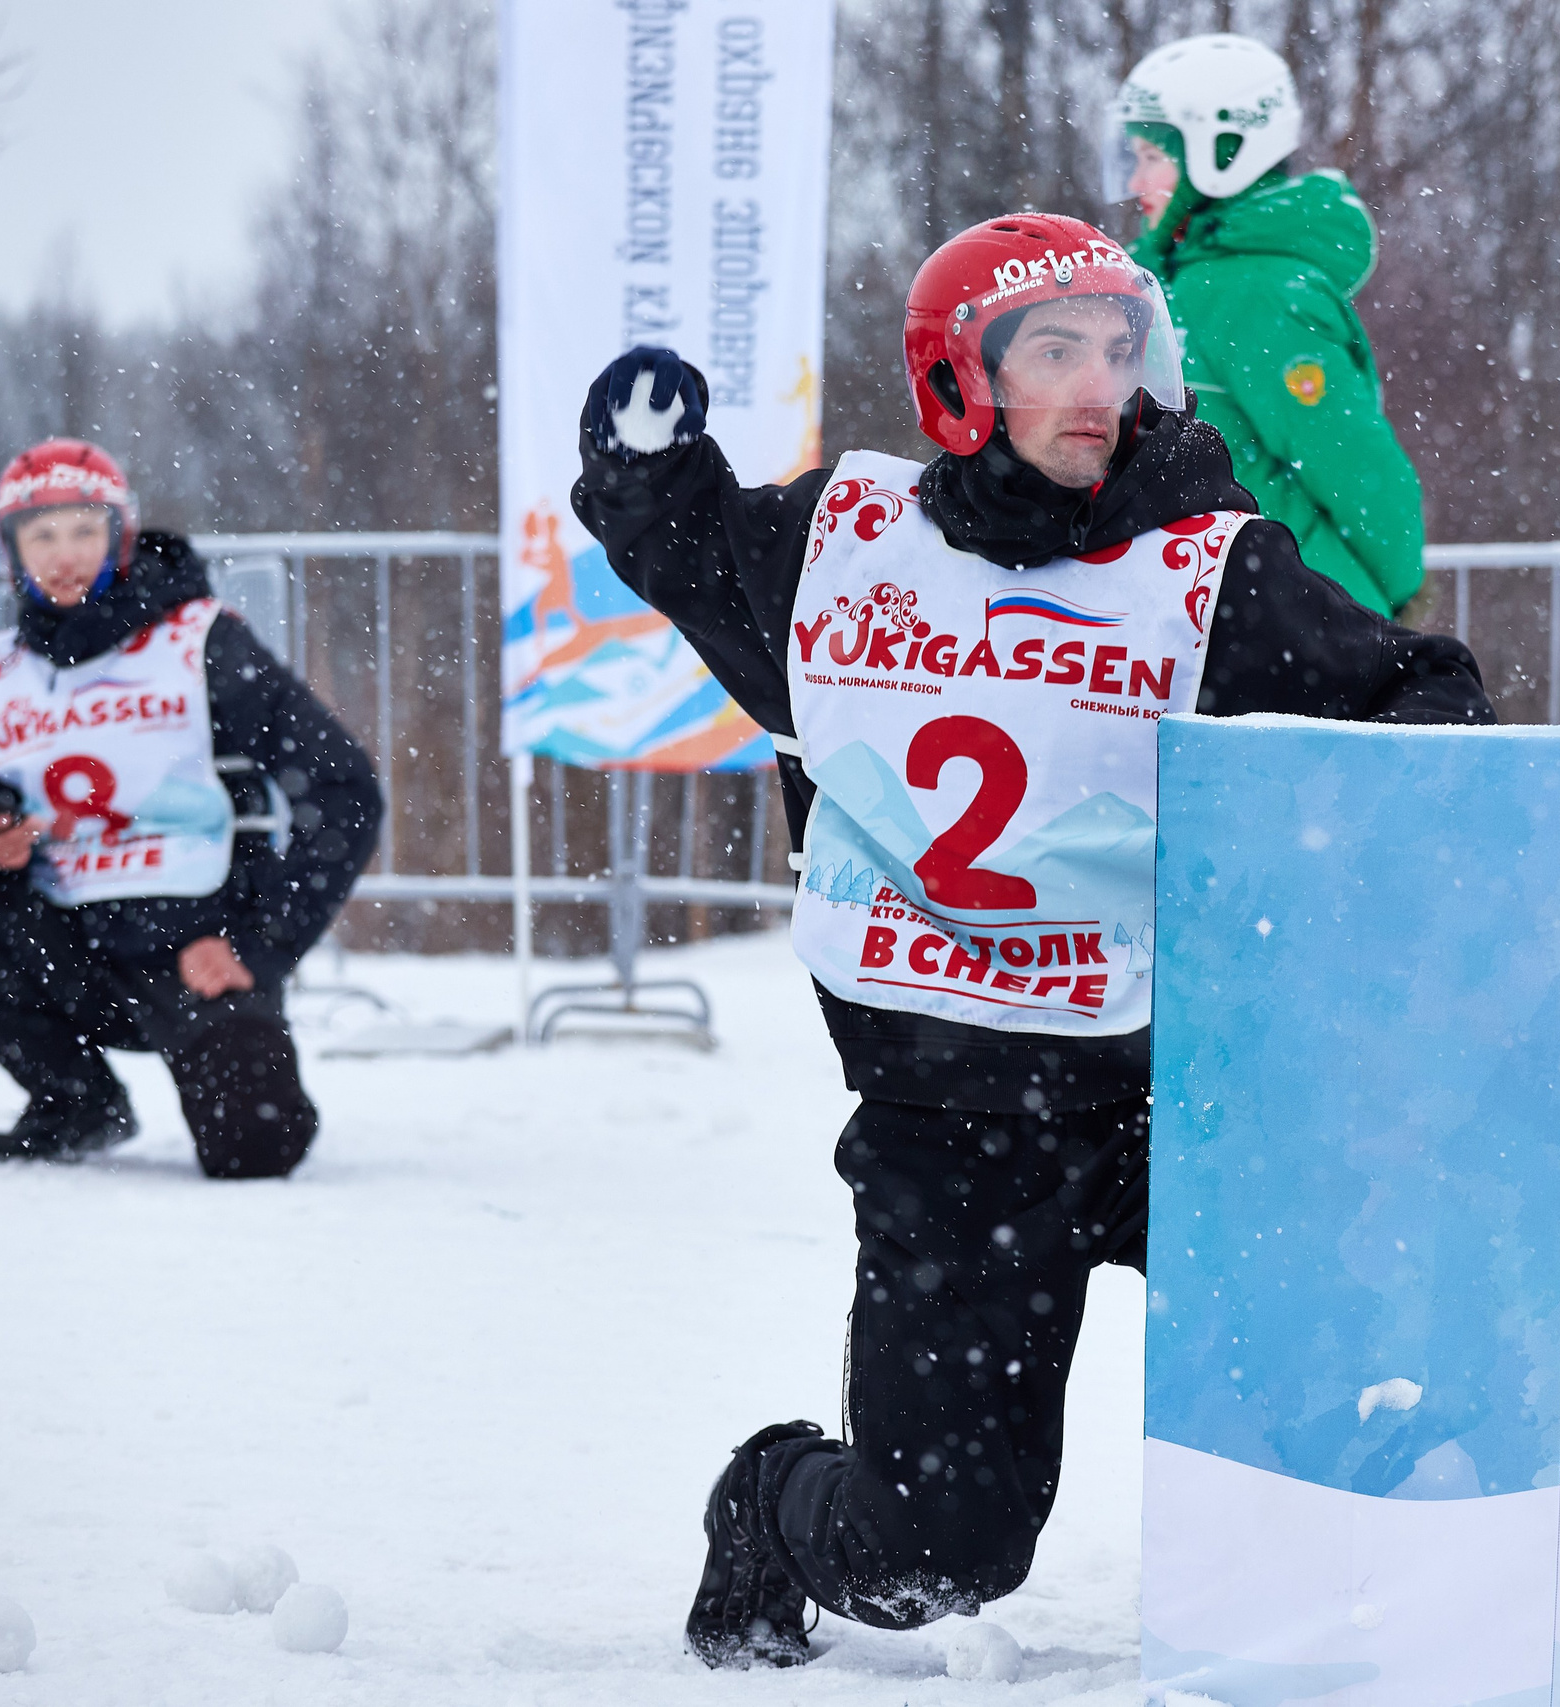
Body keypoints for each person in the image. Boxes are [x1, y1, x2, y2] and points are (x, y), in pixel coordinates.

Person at [570, 211, 1493, 1668]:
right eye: (1052, 350)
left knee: (1351, 1360)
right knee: (934, 1562)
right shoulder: (843, 545)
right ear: (961, 378)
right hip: (950, 1126)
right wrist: (644, 465)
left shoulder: (1212, 572)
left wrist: (1364, 864)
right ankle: (768, 1495)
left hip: (1173, 1099)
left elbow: (1424, 695)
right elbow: (687, 548)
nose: (1094, 385)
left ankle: (1382, 1593)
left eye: (1117, 350)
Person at [0, 439, 381, 1178]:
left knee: (256, 1150)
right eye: (41, 534)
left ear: (121, 535)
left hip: (194, 947)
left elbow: (344, 790)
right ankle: (77, 1100)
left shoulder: (200, 640)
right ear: (7, 550)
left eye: (84, 529)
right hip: (61, 945)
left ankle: (229, 1064)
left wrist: (260, 942)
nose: (64, 553)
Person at [1109, 33, 1427, 620]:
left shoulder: (1258, 296)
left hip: (1291, 618)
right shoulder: (1163, 284)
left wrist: (1387, 616)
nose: (1134, 183)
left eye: (1151, 158)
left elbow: (1363, 478)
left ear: (1223, 152)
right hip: (1205, 612)